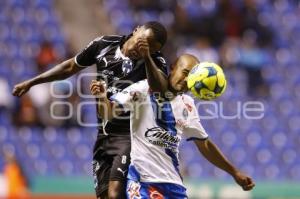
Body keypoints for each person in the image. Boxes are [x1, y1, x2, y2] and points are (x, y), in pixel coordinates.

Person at [12, 21, 169, 199]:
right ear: (136, 30)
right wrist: (32, 82)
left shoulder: (155, 62)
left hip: (131, 137)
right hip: (104, 137)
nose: (142, 50)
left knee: (115, 192)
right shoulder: (103, 45)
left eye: (149, 48)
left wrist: (147, 57)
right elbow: (69, 67)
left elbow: (161, 87)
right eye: (143, 42)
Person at [90, 54, 255, 198]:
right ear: (172, 68)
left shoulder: (187, 105)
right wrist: (102, 95)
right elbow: (108, 113)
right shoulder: (143, 88)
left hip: (174, 185)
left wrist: (235, 173)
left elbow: (204, 145)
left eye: (191, 77)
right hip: (143, 181)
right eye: (184, 73)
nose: (186, 80)